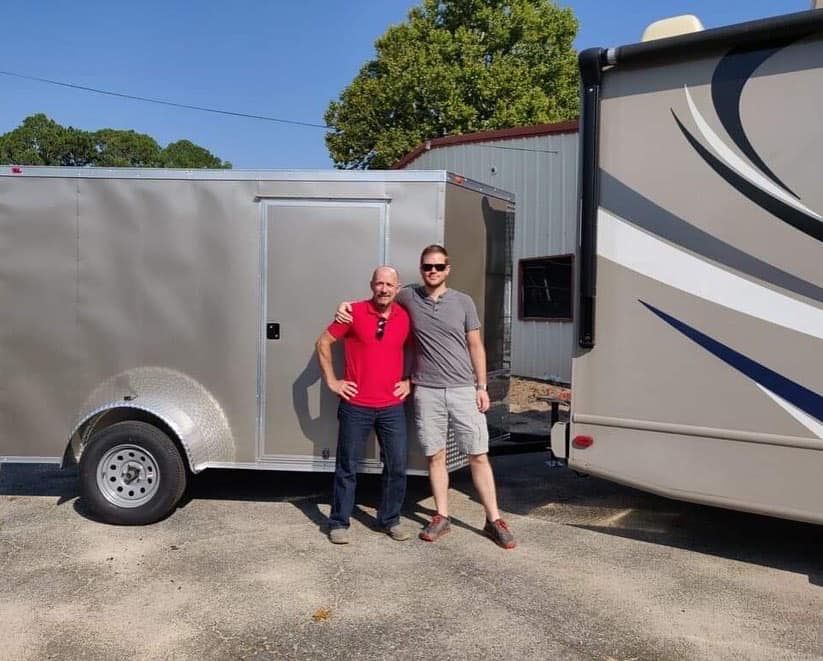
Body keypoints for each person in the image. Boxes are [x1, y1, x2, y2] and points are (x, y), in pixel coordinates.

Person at [337, 245, 516, 549]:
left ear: (448, 269)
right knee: (435, 456)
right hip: (427, 391)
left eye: (438, 266)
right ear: (421, 270)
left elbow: (475, 345)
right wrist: (347, 305)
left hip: (462, 389)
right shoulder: (409, 296)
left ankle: (494, 518)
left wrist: (482, 386)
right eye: (427, 267)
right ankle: (442, 515)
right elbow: (381, 295)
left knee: (478, 454)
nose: (432, 271)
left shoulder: (463, 302)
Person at [316, 266, 412, 545]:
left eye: (389, 285)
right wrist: (333, 382)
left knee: (396, 465)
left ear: (397, 287)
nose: (383, 289)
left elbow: (421, 350)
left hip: (392, 406)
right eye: (379, 284)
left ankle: (390, 519)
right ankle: (339, 522)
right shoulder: (353, 312)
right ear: (371, 285)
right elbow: (322, 343)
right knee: (347, 466)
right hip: (356, 405)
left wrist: (409, 380)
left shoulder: (405, 318)